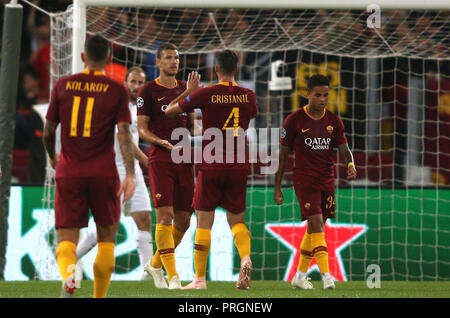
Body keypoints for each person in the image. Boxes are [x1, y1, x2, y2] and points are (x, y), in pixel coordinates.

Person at [43, 34, 136, 298]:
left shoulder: (62, 85)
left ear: (83, 57)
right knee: (107, 239)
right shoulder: (117, 89)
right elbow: (124, 134)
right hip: (104, 173)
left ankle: (70, 272)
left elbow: (49, 131)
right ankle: (98, 297)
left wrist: (52, 156)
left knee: (66, 241)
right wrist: (129, 173)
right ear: (108, 58)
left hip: (69, 171)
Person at [165, 50, 258, 290]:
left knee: (204, 223)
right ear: (236, 70)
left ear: (216, 69)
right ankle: (245, 258)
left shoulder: (206, 94)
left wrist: (190, 92)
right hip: (238, 165)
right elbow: (253, 114)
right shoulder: (249, 95)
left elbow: (169, 110)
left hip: (212, 164)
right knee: (237, 221)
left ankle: (199, 280)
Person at [273, 74, 357, 290]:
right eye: (318, 95)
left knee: (314, 229)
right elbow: (282, 155)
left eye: (326, 95)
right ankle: (327, 275)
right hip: (304, 180)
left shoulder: (333, 121)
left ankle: (300, 276)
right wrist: (277, 186)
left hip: (327, 180)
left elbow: (343, 148)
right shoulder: (294, 120)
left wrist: (350, 164)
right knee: (317, 224)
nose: (322, 99)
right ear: (307, 94)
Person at [75, 66, 153, 280]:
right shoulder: (116, 107)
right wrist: (146, 160)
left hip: (133, 170)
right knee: (106, 226)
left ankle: (148, 274)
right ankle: (71, 257)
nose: (136, 86)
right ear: (125, 83)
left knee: (144, 218)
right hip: (114, 170)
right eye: (133, 82)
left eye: (140, 82)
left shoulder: (138, 109)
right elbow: (126, 140)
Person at [137, 43, 196, 290]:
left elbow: (192, 124)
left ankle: (154, 264)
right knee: (165, 216)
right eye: (169, 58)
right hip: (160, 159)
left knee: (183, 222)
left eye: (177, 58)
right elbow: (142, 128)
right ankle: (173, 277)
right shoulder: (147, 91)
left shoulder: (185, 88)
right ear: (158, 62)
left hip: (184, 159)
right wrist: (159, 141)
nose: (174, 62)